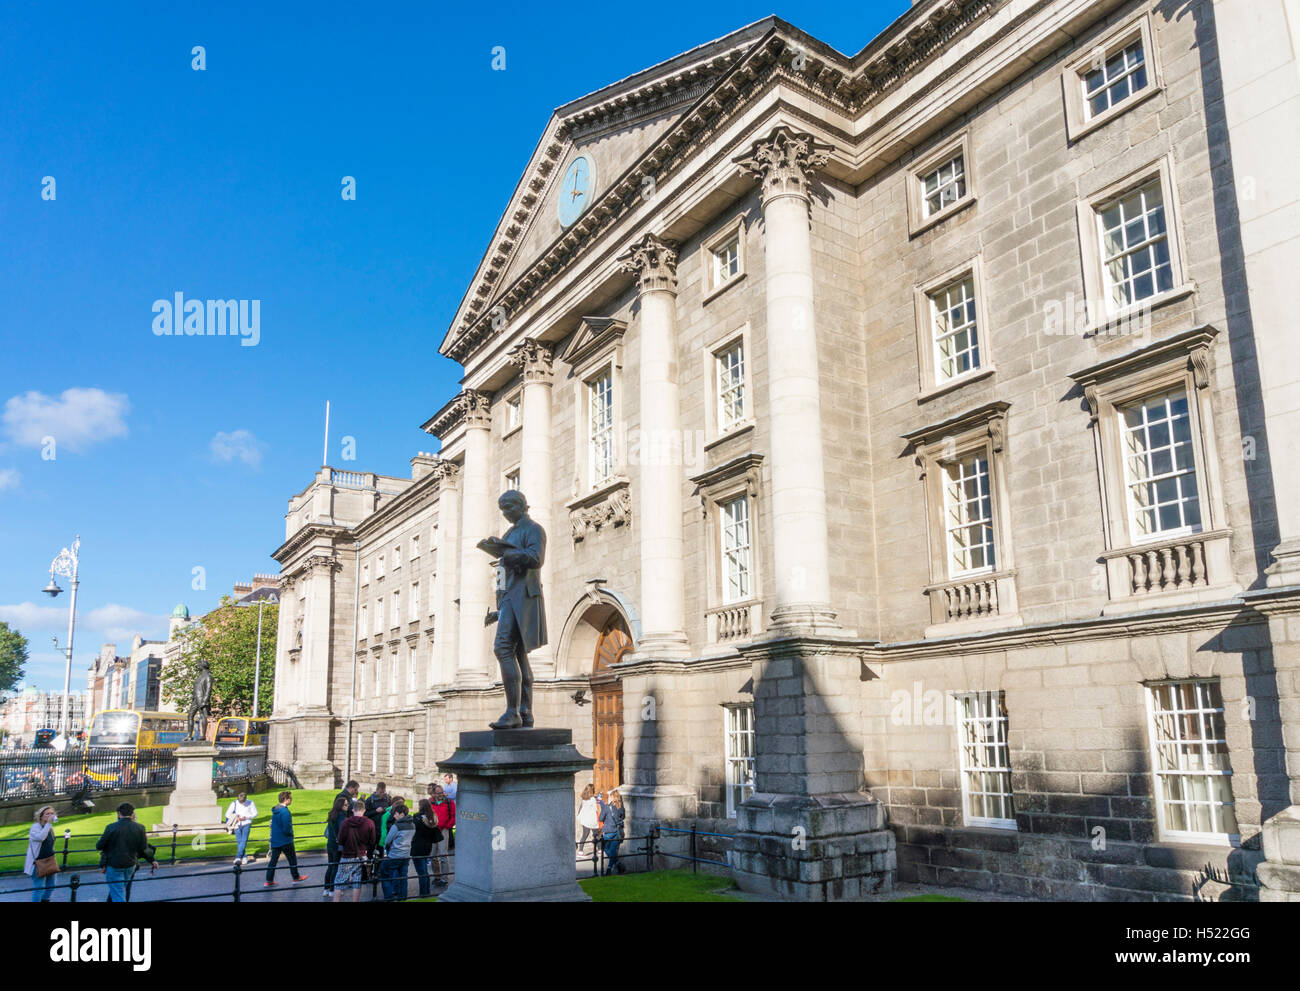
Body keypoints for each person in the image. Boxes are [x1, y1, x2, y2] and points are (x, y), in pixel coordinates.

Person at [95, 803, 158, 901]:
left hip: (114, 864)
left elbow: (99, 846)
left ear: (119, 813)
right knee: (120, 891)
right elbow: (143, 847)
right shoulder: (140, 827)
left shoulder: (111, 827)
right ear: (132, 813)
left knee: (118, 892)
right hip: (131, 864)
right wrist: (152, 860)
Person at [333, 800, 375, 903]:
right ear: (364, 810)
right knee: (357, 881)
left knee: (339, 881)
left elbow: (340, 840)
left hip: (347, 855)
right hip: (362, 856)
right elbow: (372, 841)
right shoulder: (370, 823)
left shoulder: (345, 822)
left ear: (353, 810)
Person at [264, 791, 308, 886]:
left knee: (273, 861)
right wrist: (291, 834)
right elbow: (286, 827)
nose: (291, 800)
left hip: (276, 840)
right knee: (292, 859)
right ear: (285, 799)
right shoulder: (285, 812)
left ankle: (269, 880)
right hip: (285, 840)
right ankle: (296, 877)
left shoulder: (276, 810)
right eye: (290, 798)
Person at [381, 799, 415, 901]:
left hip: (394, 855)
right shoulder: (413, 825)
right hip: (406, 855)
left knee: (385, 875)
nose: (394, 816)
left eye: (395, 814)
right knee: (403, 877)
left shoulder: (397, 826)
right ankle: (402, 897)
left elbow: (387, 840)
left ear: (401, 814)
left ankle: (389, 897)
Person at [411, 798, 443, 898]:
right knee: (424, 870)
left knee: (421, 872)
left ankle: (423, 894)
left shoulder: (417, 817)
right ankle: (426, 892)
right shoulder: (433, 818)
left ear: (421, 806)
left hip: (417, 846)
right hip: (427, 846)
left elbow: (413, 830)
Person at [25, 805, 58, 902]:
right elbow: (40, 838)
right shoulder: (35, 827)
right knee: (39, 887)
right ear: (41, 816)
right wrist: (48, 824)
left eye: (52, 813)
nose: (50, 815)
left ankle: (45, 900)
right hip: (37, 863)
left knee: (51, 885)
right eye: (47, 814)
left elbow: (51, 842)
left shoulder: (50, 828)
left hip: (50, 861)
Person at [323, 795, 348, 897]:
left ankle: (326, 888)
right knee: (336, 867)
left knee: (330, 866)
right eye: (345, 804)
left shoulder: (332, 814)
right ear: (340, 806)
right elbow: (341, 831)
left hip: (330, 844)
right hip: (337, 845)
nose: (347, 806)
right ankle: (333, 889)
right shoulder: (341, 816)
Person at [429, 784, 455, 886]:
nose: (440, 795)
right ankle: (437, 876)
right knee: (432, 855)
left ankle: (444, 878)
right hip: (432, 830)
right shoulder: (430, 802)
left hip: (443, 830)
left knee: (443, 855)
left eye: (441, 792)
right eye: (438, 793)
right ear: (433, 793)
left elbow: (453, 816)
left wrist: (447, 826)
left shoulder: (449, 802)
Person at [224, 791, 257, 866]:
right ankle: (244, 857)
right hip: (237, 824)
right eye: (240, 802)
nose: (242, 803)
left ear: (245, 799)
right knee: (239, 841)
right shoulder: (234, 803)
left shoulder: (250, 803)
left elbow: (255, 813)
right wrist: (236, 817)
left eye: (243, 802)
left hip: (247, 823)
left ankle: (238, 857)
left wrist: (247, 817)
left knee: (244, 840)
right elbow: (227, 814)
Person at [597, 790, 625, 876]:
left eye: (610, 796)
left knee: (604, 847)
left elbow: (600, 819)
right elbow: (623, 817)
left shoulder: (607, 807)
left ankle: (614, 866)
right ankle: (614, 866)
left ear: (612, 797)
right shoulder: (621, 808)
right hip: (617, 831)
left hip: (608, 831)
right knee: (613, 850)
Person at [576, 783, 600, 860]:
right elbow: (595, 809)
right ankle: (599, 850)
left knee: (584, 835)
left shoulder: (584, 798)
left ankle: (580, 851)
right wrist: (598, 801)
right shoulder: (592, 799)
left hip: (584, 819)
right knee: (597, 835)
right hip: (591, 820)